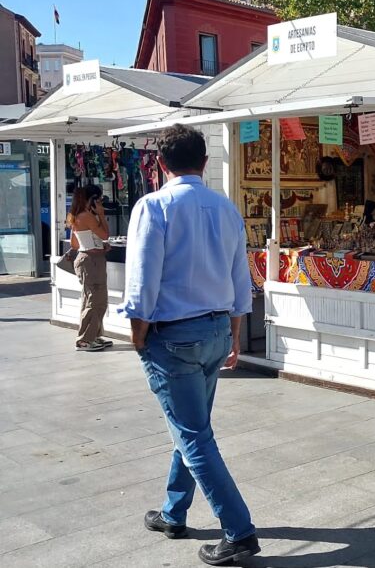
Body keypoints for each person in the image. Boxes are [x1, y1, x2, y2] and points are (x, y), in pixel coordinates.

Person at [119, 125, 259, 565]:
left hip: (175, 336)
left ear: (162, 164)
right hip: (216, 328)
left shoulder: (154, 206)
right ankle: (173, 512)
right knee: (192, 427)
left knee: (194, 435)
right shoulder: (225, 207)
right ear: (204, 161)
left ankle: (238, 530)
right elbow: (241, 280)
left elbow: (143, 280)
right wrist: (235, 333)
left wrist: (138, 336)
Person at [67, 184, 112, 352]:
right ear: (92, 200)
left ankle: (93, 335)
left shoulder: (75, 215)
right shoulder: (87, 216)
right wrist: (101, 214)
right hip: (91, 262)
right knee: (96, 301)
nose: (101, 202)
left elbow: (74, 242)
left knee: (91, 300)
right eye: (99, 199)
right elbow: (105, 235)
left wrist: (98, 246)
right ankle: (86, 339)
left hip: (87, 259)